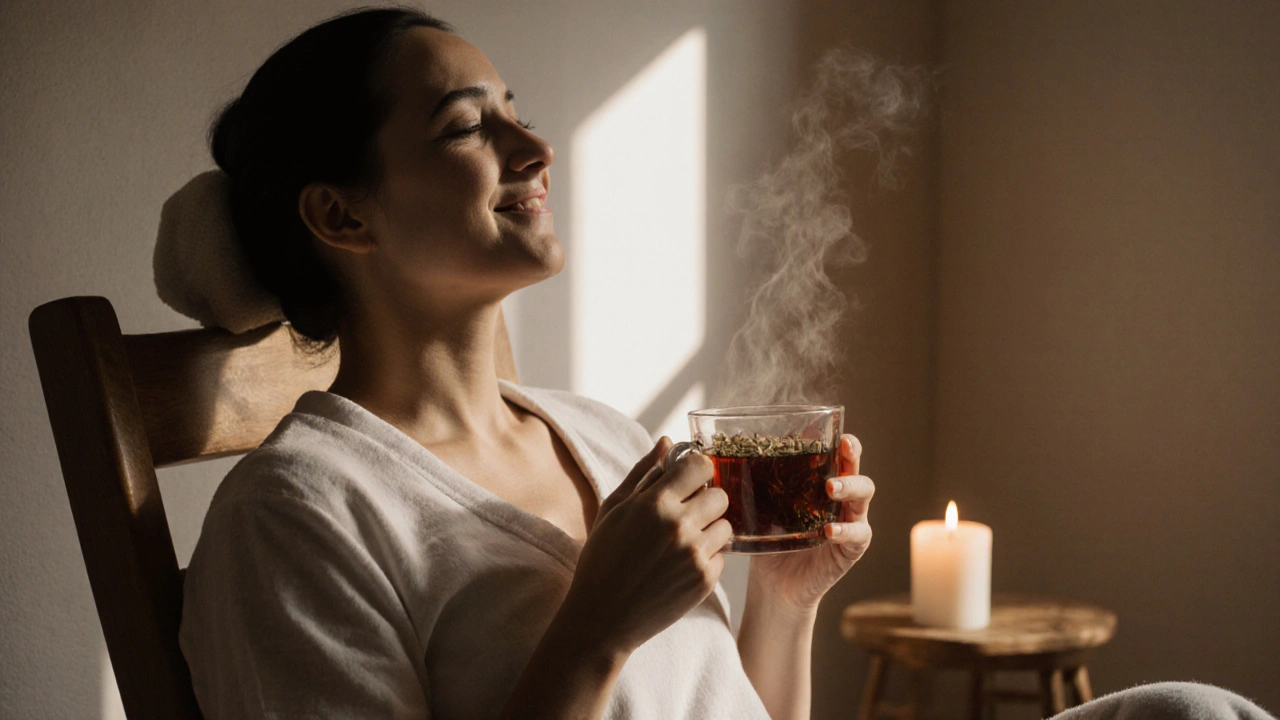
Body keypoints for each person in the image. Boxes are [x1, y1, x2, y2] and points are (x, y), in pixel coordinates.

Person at [178, 9, 875, 719]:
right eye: (464, 128)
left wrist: (786, 601)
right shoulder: (291, 517)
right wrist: (595, 631)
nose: (537, 148)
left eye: (518, 115)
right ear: (341, 217)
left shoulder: (612, 440)